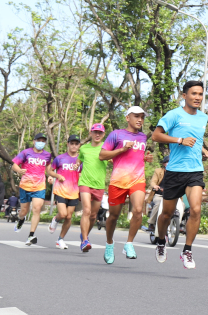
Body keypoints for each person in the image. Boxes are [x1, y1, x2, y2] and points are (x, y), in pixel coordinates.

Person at [150, 81, 208, 269]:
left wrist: (203, 149)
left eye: (200, 94)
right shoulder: (174, 115)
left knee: (196, 209)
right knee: (166, 214)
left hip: (195, 171)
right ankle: (161, 242)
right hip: (175, 171)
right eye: (193, 93)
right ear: (184, 96)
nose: (197, 97)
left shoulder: (203, 118)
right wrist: (180, 140)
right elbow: (156, 135)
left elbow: (196, 139)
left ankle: (187, 250)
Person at [98, 107, 150, 264]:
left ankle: (129, 244)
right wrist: (122, 149)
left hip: (137, 179)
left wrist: (144, 158)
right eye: (136, 116)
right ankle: (109, 244)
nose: (140, 119)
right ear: (128, 118)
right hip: (118, 181)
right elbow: (102, 155)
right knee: (113, 216)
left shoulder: (143, 137)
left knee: (138, 210)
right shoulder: (116, 135)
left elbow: (135, 156)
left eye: (142, 117)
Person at [12, 133, 54, 244]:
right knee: (24, 211)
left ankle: (31, 236)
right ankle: (21, 219)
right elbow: (15, 164)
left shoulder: (47, 155)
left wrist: (50, 176)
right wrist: (19, 170)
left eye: (43, 141)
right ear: (34, 141)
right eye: (39, 140)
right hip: (25, 186)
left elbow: (49, 169)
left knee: (36, 209)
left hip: (39, 187)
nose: (41, 142)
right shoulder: (26, 152)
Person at [77, 123, 110, 254]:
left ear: (103, 135)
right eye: (95, 132)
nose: (97, 135)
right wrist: (76, 165)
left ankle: (85, 235)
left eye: (100, 133)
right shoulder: (84, 148)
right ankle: (85, 240)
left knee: (93, 215)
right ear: (90, 133)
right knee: (86, 210)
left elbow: (117, 159)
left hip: (99, 185)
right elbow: (79, 160)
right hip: (84, 182)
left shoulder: (106, 148)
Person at [45, 136, 83, 249]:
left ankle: (60, 239)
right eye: (72, 143)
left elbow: (82, 174)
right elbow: (49, 170)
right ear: (68, 144)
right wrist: (56, 176)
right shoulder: (60, 158)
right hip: (60, 190)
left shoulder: (81, 160)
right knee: (63, 214)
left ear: (79, 146)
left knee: (69, 217)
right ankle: (55, 219)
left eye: (76, 144)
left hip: (74, 192)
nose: (74, 146)